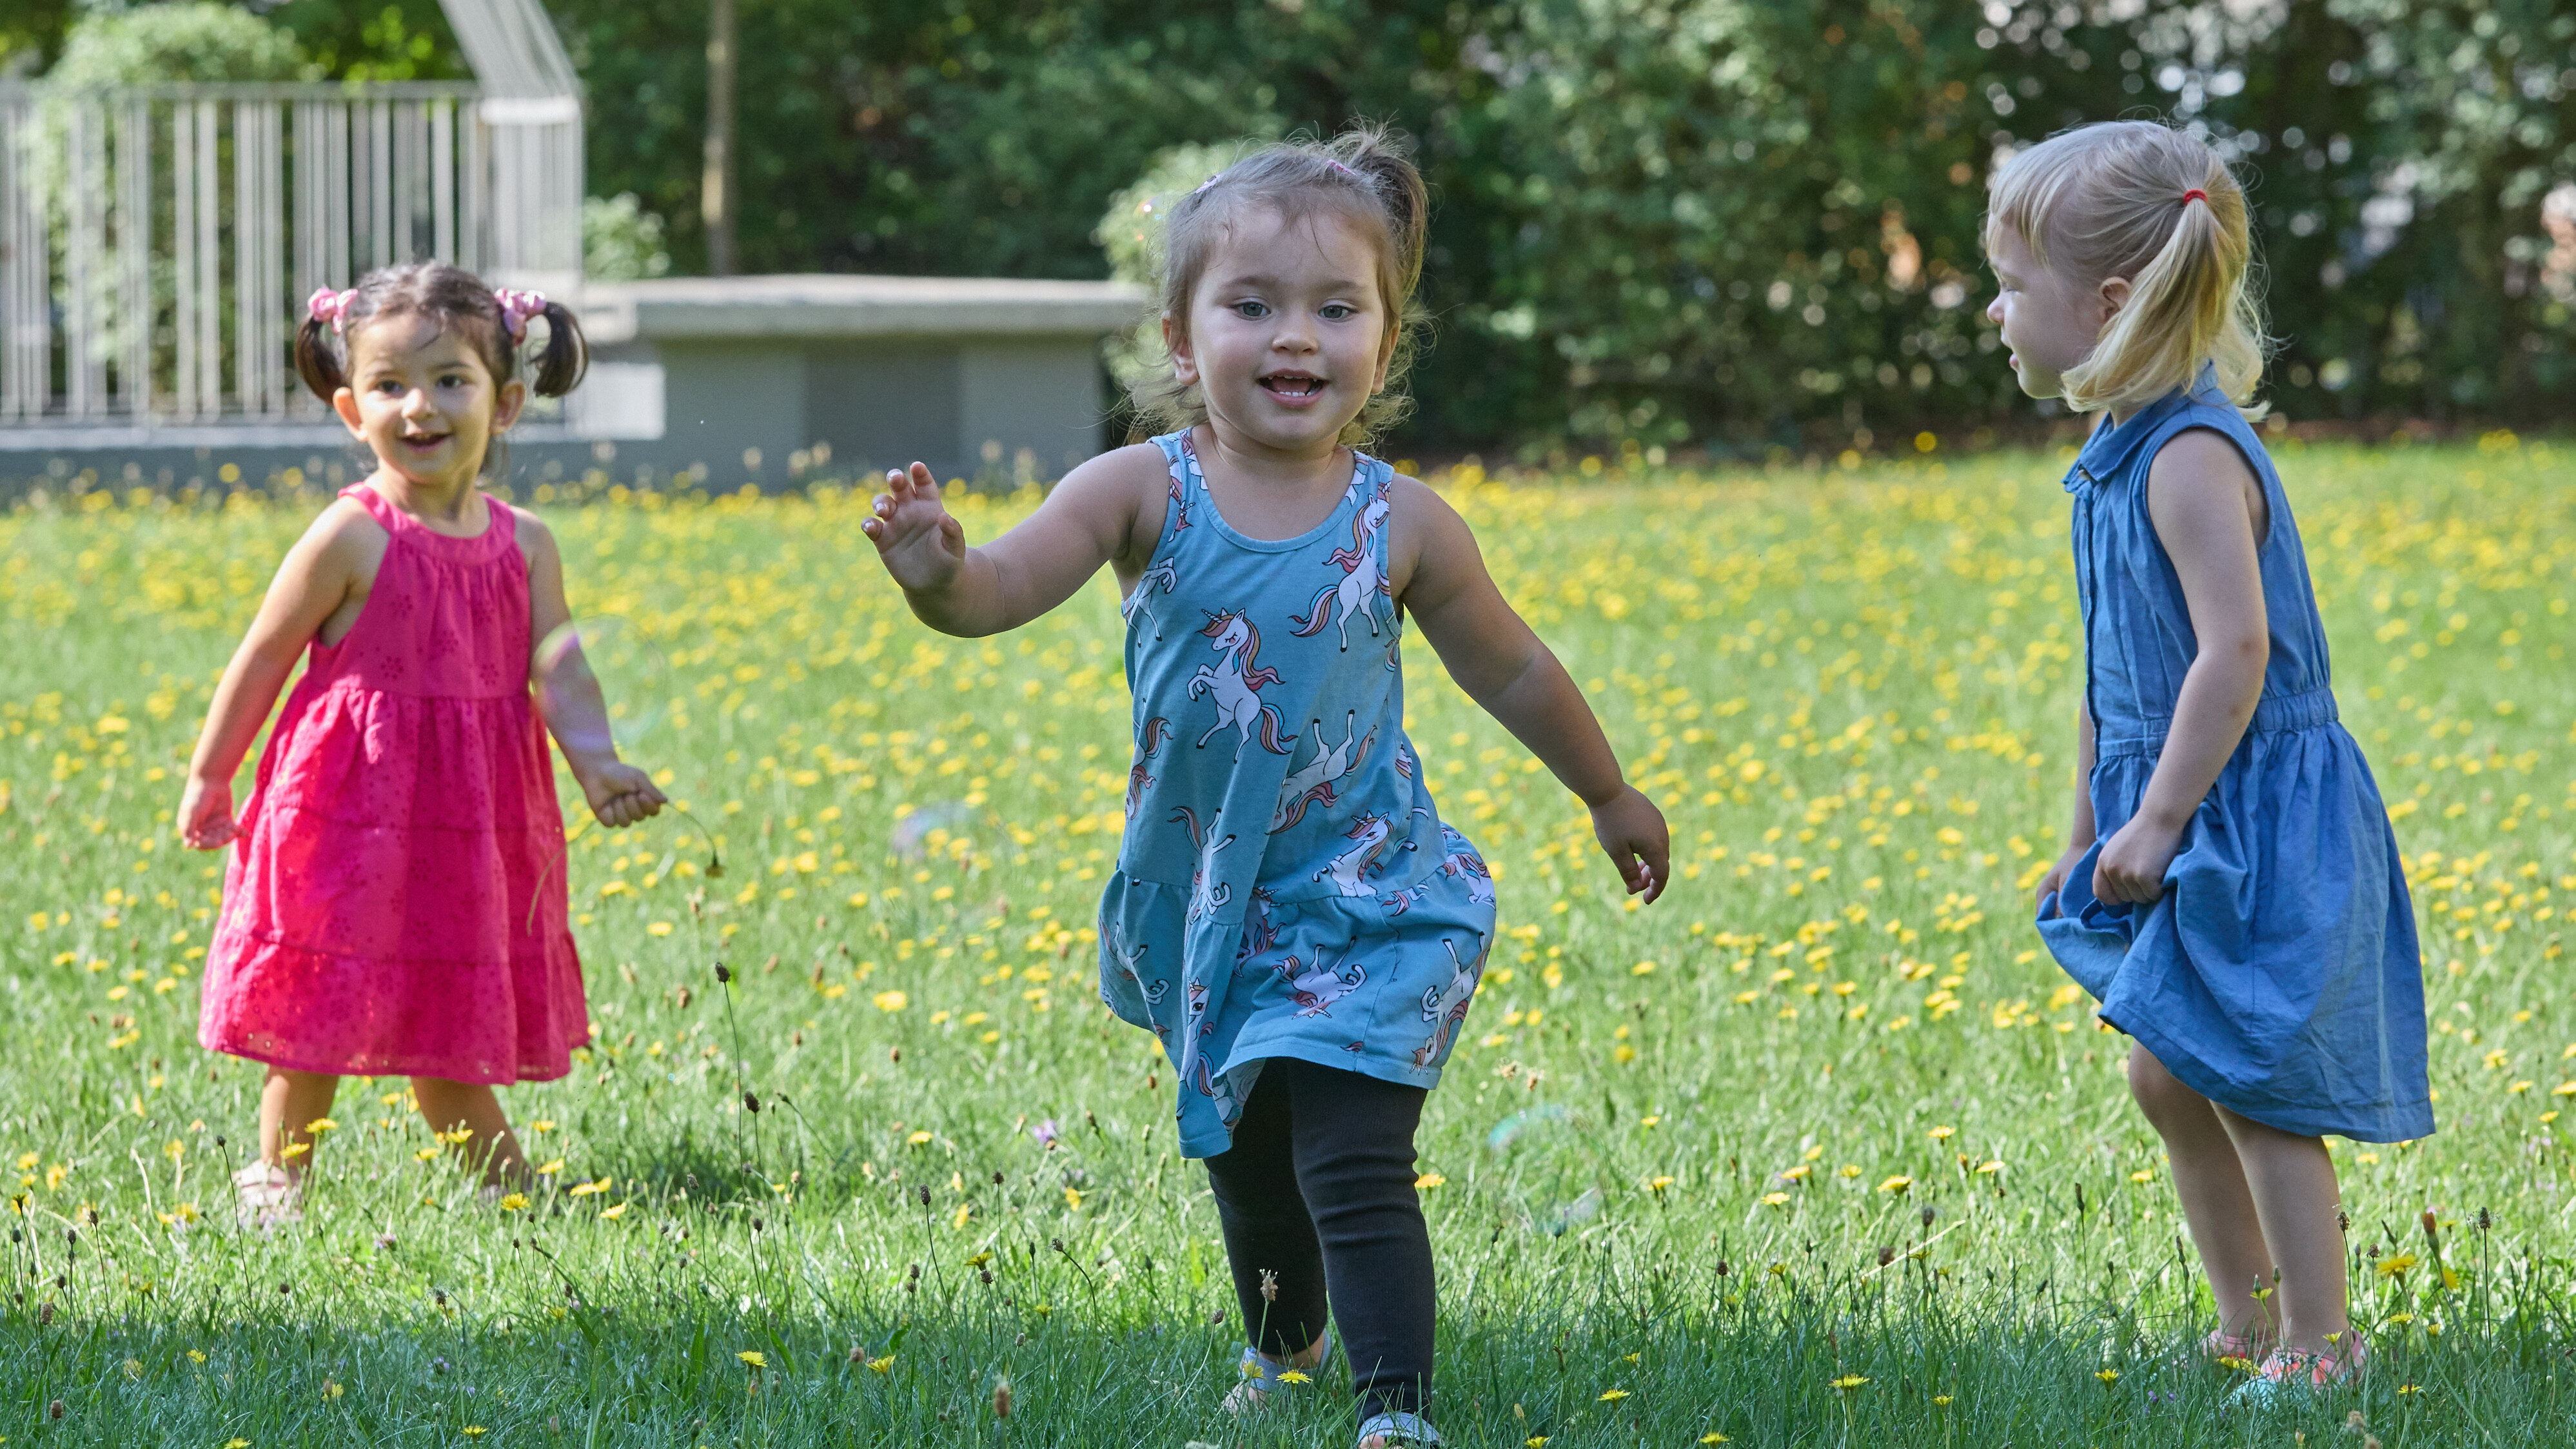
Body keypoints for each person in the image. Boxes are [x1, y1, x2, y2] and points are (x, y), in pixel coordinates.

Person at [863, 125, 1669, 1448]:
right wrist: (938, 570)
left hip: (1369, 895)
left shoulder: (1401, 522)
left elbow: (1512, 668)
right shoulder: (1139, 490)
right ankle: (1283, 1346)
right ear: (1182, 340)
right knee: (1245, 1159)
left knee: (1352, 1155)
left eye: (1335, 309)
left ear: (1383, 344)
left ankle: (1394, 1411)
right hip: (1209, 902)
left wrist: (1608, 792)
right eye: (1253, 305)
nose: (1295, 337)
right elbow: (1000, 588)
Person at [1997, 121, 2431, 1402]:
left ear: (2112, 301)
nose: (1994, 308)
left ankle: (2322, 1336)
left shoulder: (2189, 456)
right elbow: (2110, 671)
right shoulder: (2116, 455)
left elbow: (2234, 651)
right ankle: (2251, 1318)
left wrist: (2164, 815)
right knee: (2164, 1065)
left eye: (2015, 284)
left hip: (2246, 803)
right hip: (2176, 800)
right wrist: (2090, 819)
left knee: (2248, 1080)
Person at [179, 262, 664, 1226]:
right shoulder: (350, 535)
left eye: (451, 380)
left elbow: (558, 668)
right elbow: (264, 656)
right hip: (347, 816)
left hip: (469, 820)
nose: (421, 406)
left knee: (448, 1013)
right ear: (352, 407)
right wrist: (211, 774)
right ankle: (279, 1173)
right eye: (392, 385)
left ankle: (503, 1189)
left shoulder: (526, 544)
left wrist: (598, 763)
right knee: (321, 1004)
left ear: (509, 401)